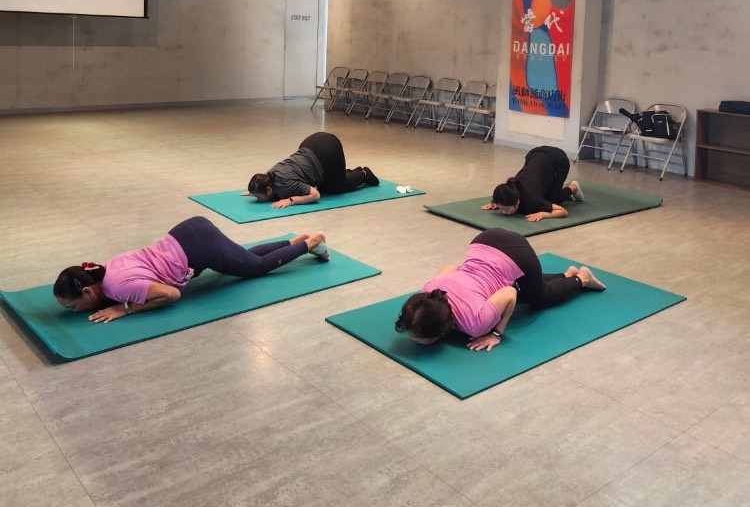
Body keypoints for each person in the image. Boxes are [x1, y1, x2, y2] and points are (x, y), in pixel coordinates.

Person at [53, 215, 330, 323]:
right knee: (242, 260)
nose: (74, 311)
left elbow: (171, 295)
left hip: (199, 247)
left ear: (88, 292)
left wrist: (125, 308)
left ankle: (313, 242)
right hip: (186, 234)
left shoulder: (117, 288)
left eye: (73, 306)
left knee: (256, 267)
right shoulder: (102, 269)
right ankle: (296, 240)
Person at [395, 227, 606, 352]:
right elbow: (450, 268)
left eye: (418, 336)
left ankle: (581, 279)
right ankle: (566, 275)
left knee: (539, 297)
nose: (413, 338)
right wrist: (472, 282)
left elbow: (509, 294)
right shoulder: (430, 291)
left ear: (442, 329)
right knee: (522, 287)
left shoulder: (474, 325)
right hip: (484, 240)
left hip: (518, 254)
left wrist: (496, 333)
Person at [245, 131, 379, 209]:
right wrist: (254, 190)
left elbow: (315, 195)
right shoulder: (271, 174)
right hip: (311, 142)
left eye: (258, 197)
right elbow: (263, 179)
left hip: (328, 150)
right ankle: (340, 174)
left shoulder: (286, 185)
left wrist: (290, 201)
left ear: (269, 189)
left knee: (333, 188)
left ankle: (364, 174)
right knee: (326, 182)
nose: (258, 199)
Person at [481, 145, 584, 223]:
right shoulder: (511, 185)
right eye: (501, 209)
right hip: (534, 154)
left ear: (517, 202)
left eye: (506, 209)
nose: (504, 212)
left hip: (558, 159)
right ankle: (554, 185)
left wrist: (543, 214)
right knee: (544, 187)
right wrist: (494, 203)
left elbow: (563, 211)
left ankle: (573, 187)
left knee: (553, 199)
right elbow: (503, 193)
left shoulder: (533, 199)